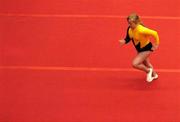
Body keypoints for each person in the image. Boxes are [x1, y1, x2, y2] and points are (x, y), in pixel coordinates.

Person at [119, 13, 159, 82]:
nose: (129, 25)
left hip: (146, 49)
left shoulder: (141, 30)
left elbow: (155, 33)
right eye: (128, 23)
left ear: (136, 23)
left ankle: (148, 71)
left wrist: (156, 44)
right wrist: (124, 41)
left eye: (131, 23)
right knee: (146, 63)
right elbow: (128, 38)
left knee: (135, 64)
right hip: (139, 49)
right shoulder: (130, 29)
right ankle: (154, 75)